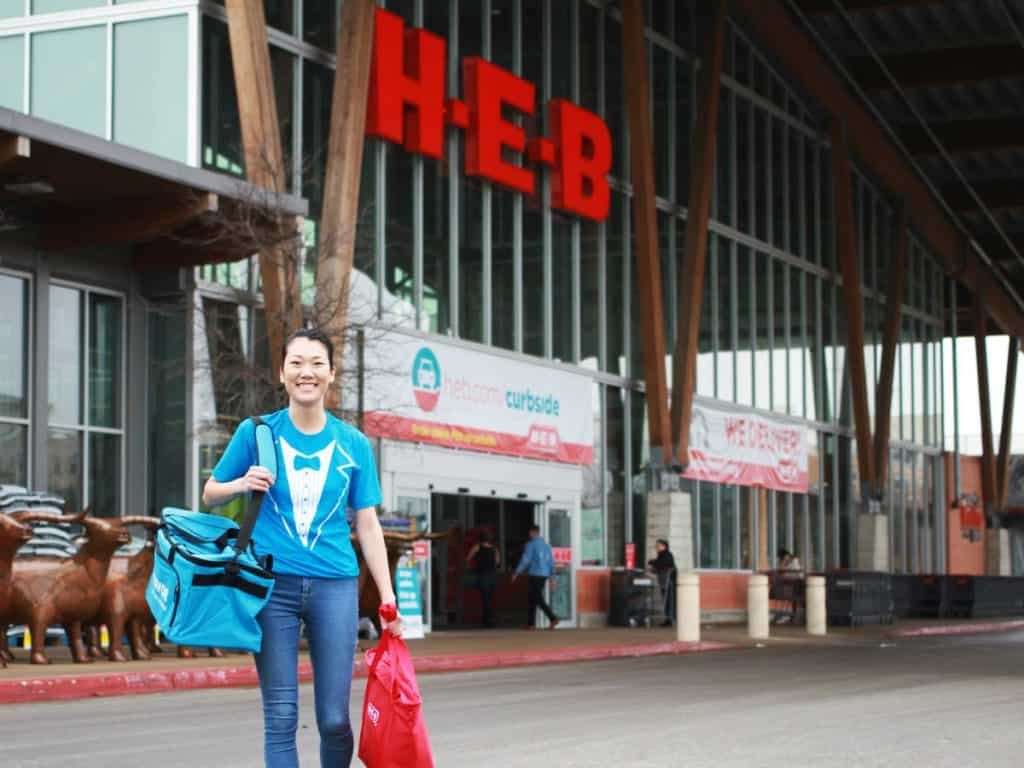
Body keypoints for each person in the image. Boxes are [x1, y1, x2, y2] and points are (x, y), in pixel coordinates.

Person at [202, 327, 401, 768]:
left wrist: (387, 596)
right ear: (282, 373)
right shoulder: (256, 433)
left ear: (331, 373)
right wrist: (241, 483)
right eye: (295, 363)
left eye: (316, 364)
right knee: (280, 716)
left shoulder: (354, 444)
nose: (305, 372)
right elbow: (210, 492)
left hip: (336, 586)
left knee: (334, 720)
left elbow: (368, 523)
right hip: (271, 586)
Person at [510, 525, 559, 629]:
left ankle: (553, 618)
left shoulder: (530, 544)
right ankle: (530, 624)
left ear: (533, 532)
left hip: (535, 574)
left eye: (530, 532)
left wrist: (516, 572)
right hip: (544, 575)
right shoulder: (546, 545)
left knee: (537, 598)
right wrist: (553, 577)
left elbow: (525, 560)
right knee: (532, 598)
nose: (529, 534)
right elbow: (551, 562)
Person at [465, 530, 500, 628]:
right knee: (491, 599)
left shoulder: (477, 547)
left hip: (482, 576)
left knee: (485, 599)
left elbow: (468, 558)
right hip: (492, 576)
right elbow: (497, 562)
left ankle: (487, 621)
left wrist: (469, 566)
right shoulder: (494, 549)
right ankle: (490, 620)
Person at [647, 538, 677, 627]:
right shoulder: (661, 555)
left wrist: (653, 562)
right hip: (663, 581)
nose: (656, 547)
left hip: (668, 581)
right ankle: (667, 619)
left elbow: (662, 564)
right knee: (665, 600)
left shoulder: (667, 555)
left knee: (669, 600)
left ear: (664, 546)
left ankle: (670, 619)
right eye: (656, 546)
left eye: (658, 546)